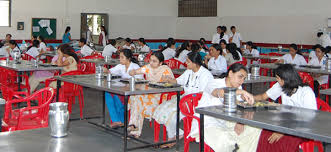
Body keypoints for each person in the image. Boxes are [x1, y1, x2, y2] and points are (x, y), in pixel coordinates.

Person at [189, 63, 258, 152]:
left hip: (225, 121)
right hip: (206, 123)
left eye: (244, 79)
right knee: (224, 139)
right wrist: (240, 92)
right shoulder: (214, 82)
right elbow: (218, 93)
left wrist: (240, 122)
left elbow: (239, 108)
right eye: (240, 77)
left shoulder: (238, 87)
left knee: (254, 130)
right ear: (230, 74)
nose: (241, 81)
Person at [153, 52, 214, 148]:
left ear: (195, 63)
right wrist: (168, 79)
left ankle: (171, 138)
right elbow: (177, 81)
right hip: (185, 99)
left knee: (172, 114)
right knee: (162, 109)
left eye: (188, 62)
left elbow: (203, 94)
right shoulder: (189, 71)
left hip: (196, 103)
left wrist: (187, 100)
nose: (186, 63)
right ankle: (179, 133)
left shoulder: (205, 74)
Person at [254, 64, 317, 152]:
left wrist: (283, 131)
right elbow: (263, 96)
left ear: (285, 79)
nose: (277, 80)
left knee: (282, 141)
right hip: (285, 124)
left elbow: (309, 118)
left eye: (278, 78)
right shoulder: (281, 86)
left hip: (302, 128)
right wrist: (247, 97)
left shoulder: (306, 92)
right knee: (264, 134)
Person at [128, 51, 174, 138]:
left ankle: (135, 128)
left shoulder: (165, 69)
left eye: (154, 61)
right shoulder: (148, 67)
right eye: (150, 60)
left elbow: (172, 83)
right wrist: (132, 72)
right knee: (136, 97)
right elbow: (135, 71)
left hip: (160, 96)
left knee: (138, 99)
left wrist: (167, 79)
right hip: (148, 94)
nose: (151, 63)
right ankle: (134, 127)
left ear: (160, 63)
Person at [104, 49, 143, 128]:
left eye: (122, 57)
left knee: (116, 96)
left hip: (133, 91)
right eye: (120, 57)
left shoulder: (135, 67)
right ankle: (117, 120)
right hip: (123, 90)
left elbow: (140, 81)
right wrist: (105, 70)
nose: (120, 59)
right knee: (108, 93)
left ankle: (121, 120)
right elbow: (110, 71)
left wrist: (128, 86)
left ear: (128, 59)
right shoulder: (121, 66)